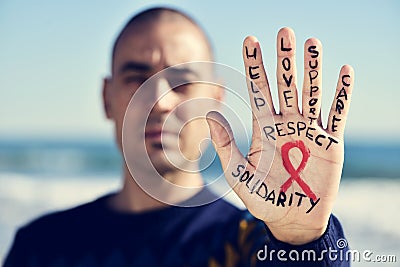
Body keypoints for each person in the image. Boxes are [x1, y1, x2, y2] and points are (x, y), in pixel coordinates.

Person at [4, 6, 354, 267]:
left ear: (215, 98)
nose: (159, 100)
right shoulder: (42, 246)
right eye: (136, 78)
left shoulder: (251, 243)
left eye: (181, 81)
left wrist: (300, 238)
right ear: (106, 98)